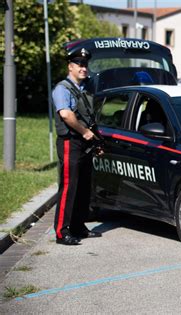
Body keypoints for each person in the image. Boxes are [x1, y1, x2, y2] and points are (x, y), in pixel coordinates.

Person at [52, 47, 102, 245]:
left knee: (83, 187)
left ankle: (78, 226)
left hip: (85, 143)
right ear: (70, 67)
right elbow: (66, 115)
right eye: (79, 65)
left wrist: (95, 139)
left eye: (85, 65)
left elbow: (89, 117)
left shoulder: (85, 89)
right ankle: (61, 232)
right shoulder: (62, 89)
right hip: (70, 142)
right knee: (68, 187)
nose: (83, 68)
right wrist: (85, 132)